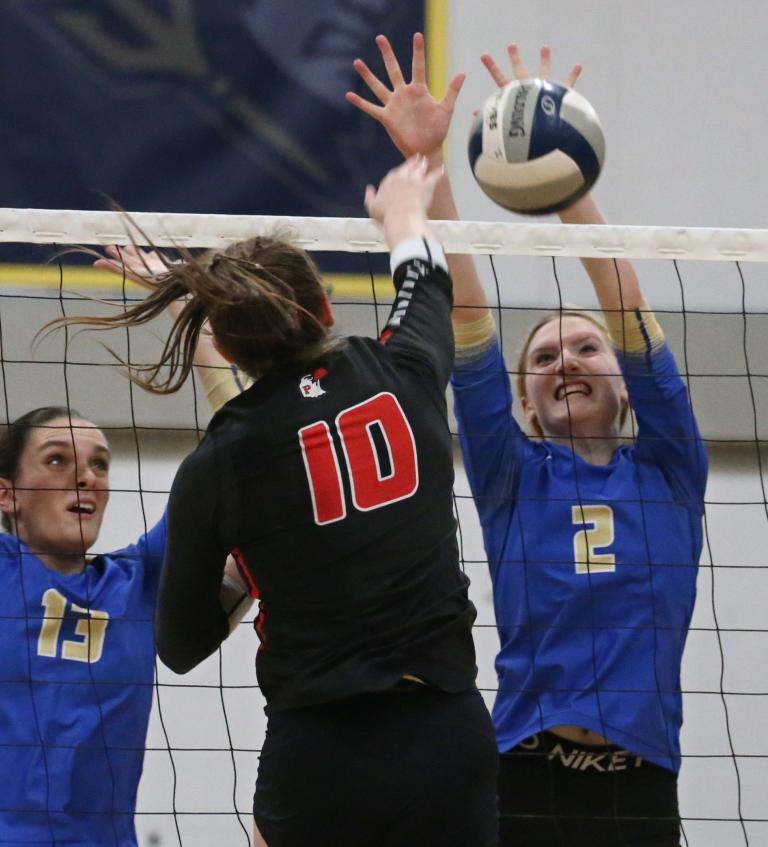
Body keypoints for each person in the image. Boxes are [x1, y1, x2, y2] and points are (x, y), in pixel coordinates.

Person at [63, 158, 499, 846]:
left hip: (319, 755)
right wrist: (400, 211)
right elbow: (425, 277)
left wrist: (246, 573)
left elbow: (178, 644)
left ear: (231, 344)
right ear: (325, 307)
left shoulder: (219, 460)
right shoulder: (399, 370)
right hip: (443, 735)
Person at [349, 35, 706, 846]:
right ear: (521, 396)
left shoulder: (671, 465)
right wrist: (431, 165)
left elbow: (624, 301)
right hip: (520, 778)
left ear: (624, 381)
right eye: (543, 357)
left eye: (585, 349)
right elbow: (467, 314)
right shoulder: (509, 472)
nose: (565, 363)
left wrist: (562, 181)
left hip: (641, 785)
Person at [0, 255, 251, 846]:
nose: (85, 477)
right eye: (57, 460)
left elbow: (244, 433)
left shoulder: (136, 582)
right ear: (5, 493)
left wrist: (189, 305)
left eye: (99, 465)